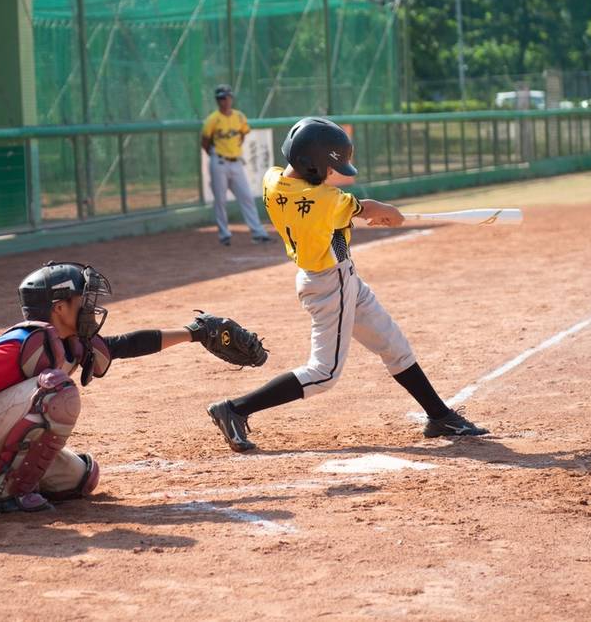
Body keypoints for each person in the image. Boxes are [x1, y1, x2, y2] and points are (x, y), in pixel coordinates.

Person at [206, 117, 489, 452]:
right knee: (323, 373)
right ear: (311, 165)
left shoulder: (272, 179)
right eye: (328, 167)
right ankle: (235, 409)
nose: (332, 173)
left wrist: (371, 212)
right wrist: (387, 212)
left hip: (338, 277)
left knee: (392, 344)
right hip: (330, 284)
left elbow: (346, 208)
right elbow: (363, 208)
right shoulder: (327, 200)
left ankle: (440, 416)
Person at [0, 261, 239, 518]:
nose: (90, 306)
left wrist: (193, 332)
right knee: (58, 392)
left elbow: (123, 344)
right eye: (82, 300)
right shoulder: (25, 341)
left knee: (81, 479)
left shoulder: (70, 342)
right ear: (59, 308)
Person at [201, 85, 271, 246]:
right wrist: (214, 154)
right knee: (220, 200)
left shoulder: (239, 117)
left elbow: (242, 135)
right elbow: (204, 141)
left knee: (247, 197)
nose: (223, 101)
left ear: (231, 98)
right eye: (220, 98)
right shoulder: (212, 119)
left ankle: (258, 233)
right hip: (218, 162)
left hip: (236, 162)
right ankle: (224, 234)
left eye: (225, 97)